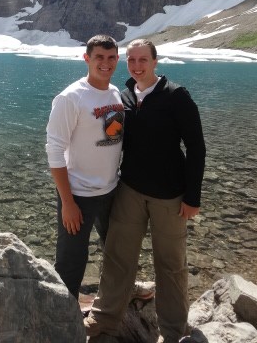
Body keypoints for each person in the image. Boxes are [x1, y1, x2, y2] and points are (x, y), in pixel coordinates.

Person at [84, 39, 206, 343]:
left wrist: (192, 197)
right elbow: (112, 139)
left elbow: (196, 147)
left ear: (155, 61)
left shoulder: (176, 96)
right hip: (130, 190)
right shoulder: (123, 96)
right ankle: (102, 322)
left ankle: (174, 332)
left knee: (171, 264)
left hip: (170, 197)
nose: (137, 66)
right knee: (118, 257)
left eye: (143, 60)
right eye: (131, 60)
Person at [45, 34, 124, 300]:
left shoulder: (115, 93)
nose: (106, 63)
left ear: (117, 59)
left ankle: (110, 304)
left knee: (115, 250)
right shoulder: (71, 98)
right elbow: (54, 151)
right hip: (79, 195)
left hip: (111, 191)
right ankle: (64, 315)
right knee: (71, 260)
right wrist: (67, 202)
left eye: (111, 57)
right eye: (99, 57)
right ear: (87, 58)